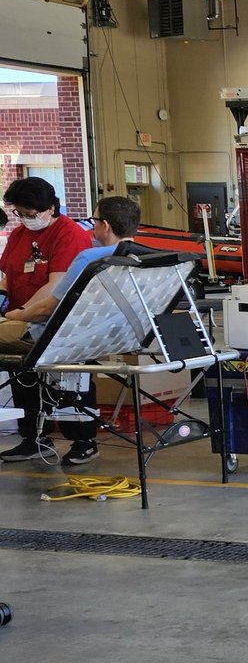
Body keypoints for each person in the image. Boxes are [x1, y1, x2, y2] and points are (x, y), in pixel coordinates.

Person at [0, 191, 138, 465]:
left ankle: (42, 436)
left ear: (105, 225)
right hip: (106, 333)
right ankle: (52, 439)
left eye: (94, 220)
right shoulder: (143, 256)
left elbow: (49, 306)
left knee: (21, 350)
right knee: (28, 366)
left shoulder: (89, 257)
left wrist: (20, 315)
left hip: (56, 333)